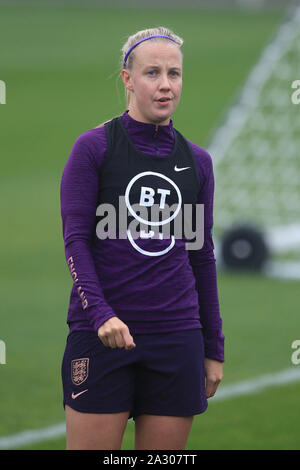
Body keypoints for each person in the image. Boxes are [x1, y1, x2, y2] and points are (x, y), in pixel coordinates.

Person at [60, 26, 225, 451]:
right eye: (153, 73)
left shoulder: (198, 162)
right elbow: (76, 240)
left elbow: (202, 256)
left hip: (177, 338)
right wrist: (101, 315)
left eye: (175, 73)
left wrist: (213, 347)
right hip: (102, 336)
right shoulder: (94, 148)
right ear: (128, 79)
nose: (166, 84)